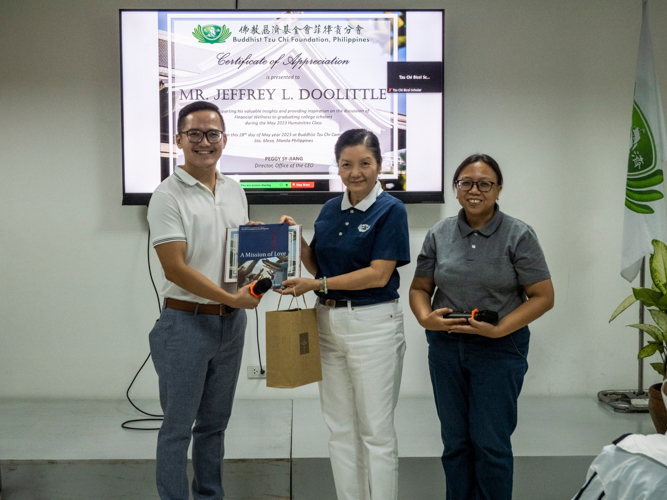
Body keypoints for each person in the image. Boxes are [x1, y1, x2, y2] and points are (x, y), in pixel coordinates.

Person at [409, 153, 554, 500]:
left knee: (491, 445)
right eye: (466, 183)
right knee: (455, 443)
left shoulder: (519, 235)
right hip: (446, 348)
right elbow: (419, 288)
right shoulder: (439, 233)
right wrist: (425, 318)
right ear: (456, 189)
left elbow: (543, 296)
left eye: (485, 183)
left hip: (500, 349)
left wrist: (500, 329)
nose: (475, 190)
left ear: (498, 189)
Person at [279, 129, 410, 500]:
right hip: (327, 322)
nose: (356, 172)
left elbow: (378, 273)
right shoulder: (329, 209)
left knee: (376, 432)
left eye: (365, 163)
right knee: (339, 429)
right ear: (337, 167)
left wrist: (317, 285)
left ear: (380, 165)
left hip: (373, 325)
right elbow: (319, 265)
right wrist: (298, 244)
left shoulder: (391, 210)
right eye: (347, 164)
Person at [147, 101, 261, 500]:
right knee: (177, 429)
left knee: (214, 425)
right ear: (178, 140)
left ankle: (210, 497)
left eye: (213, 134)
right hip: (185, 325)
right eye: (194, 134)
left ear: (224, 140)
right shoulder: (166, 196)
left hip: (231, 325)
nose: (204, 142)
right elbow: (175, 269)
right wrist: (231, 299)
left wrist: (273, 246)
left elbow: (237, 256)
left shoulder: (234, 189)